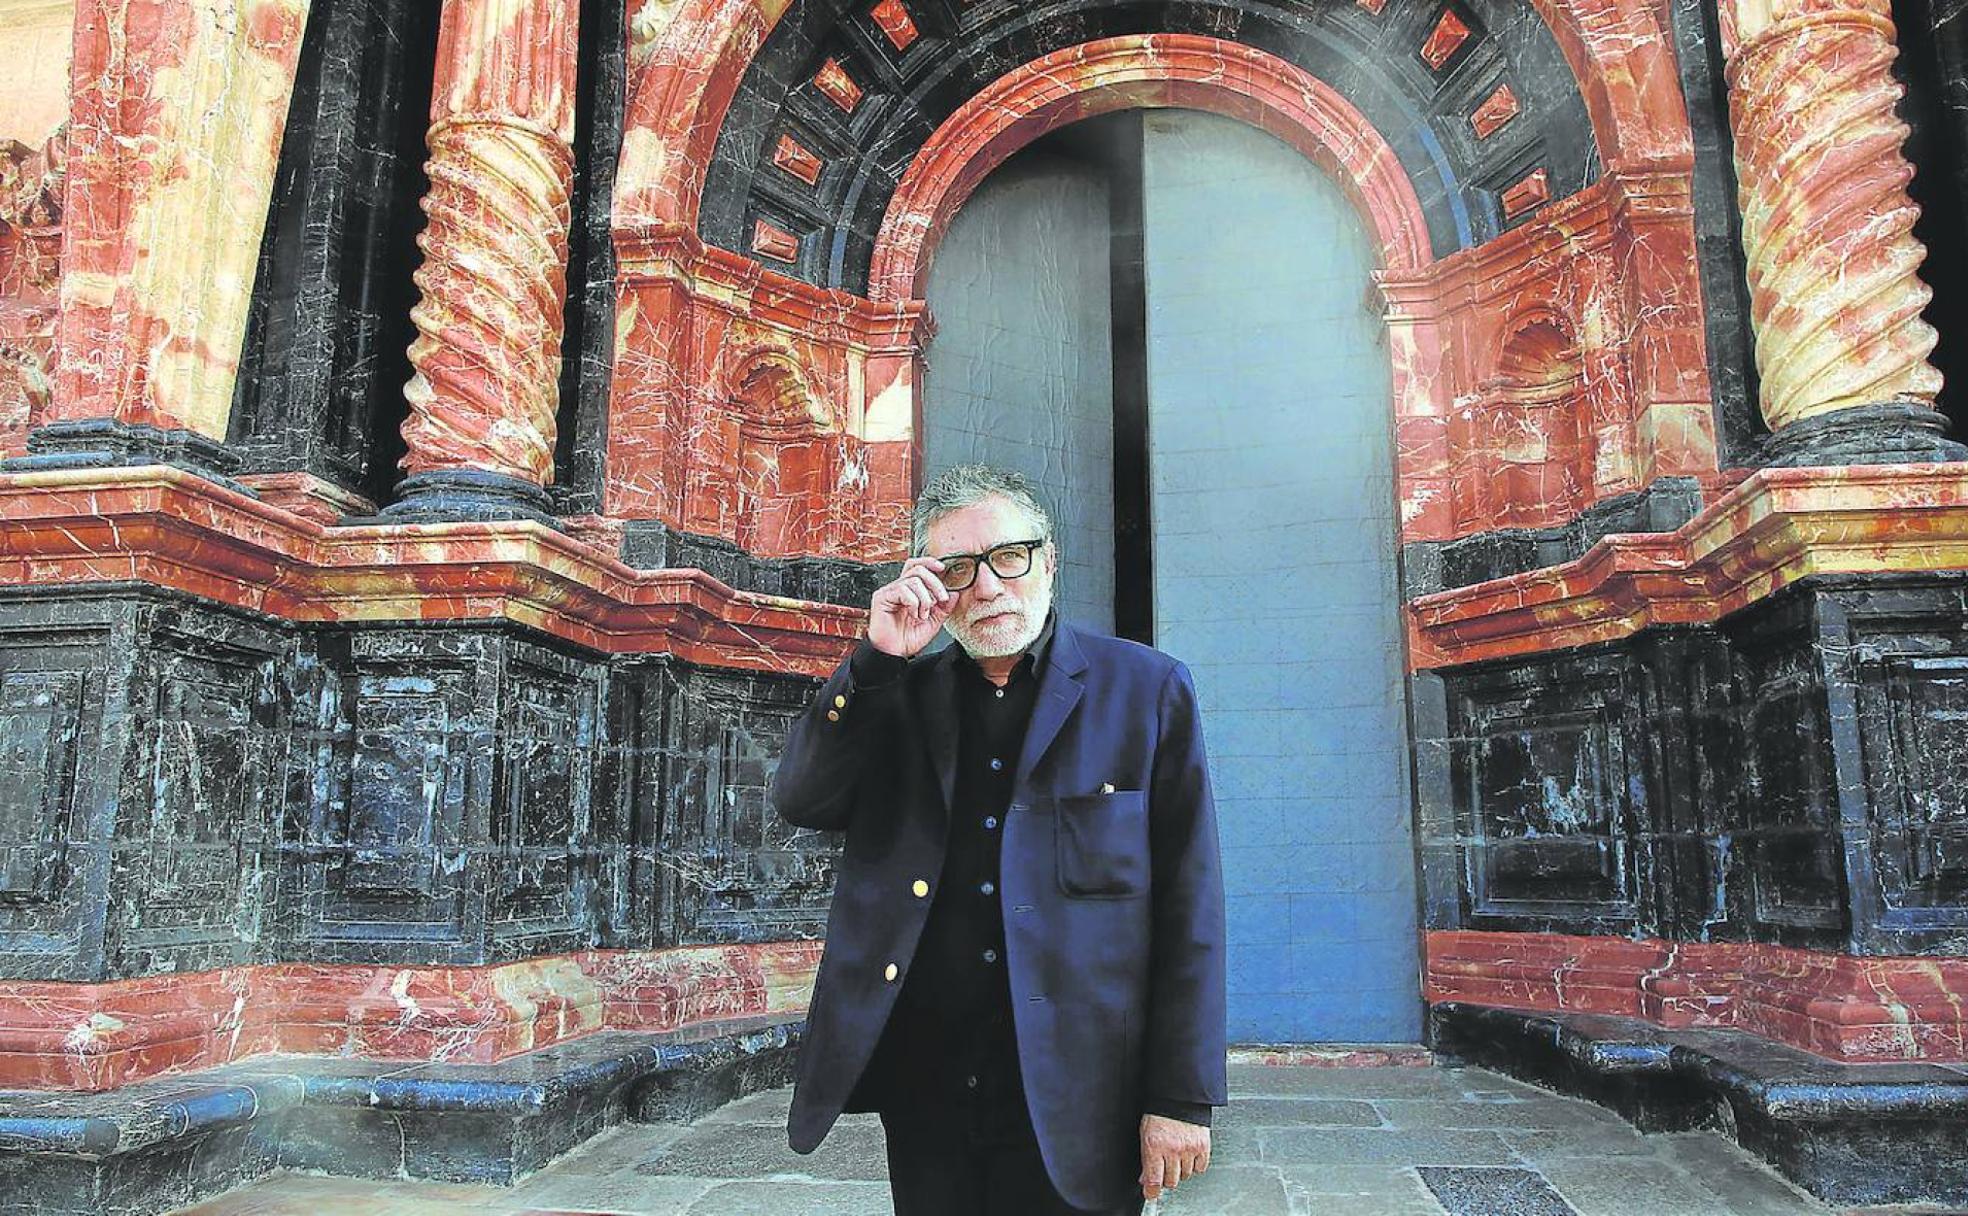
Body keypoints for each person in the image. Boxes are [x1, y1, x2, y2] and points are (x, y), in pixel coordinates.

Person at [771, 464, 1227, 1215]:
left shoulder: (1145, 690)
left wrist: (1181, 1096)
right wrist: (875, 660)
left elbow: (1191, 905)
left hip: (1083, 1089)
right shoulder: (895, 693)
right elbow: (803, 798)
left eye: (1007, 557)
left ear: (1047, 561)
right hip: (928, 1081)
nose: (985, 587)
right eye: (956, 568)